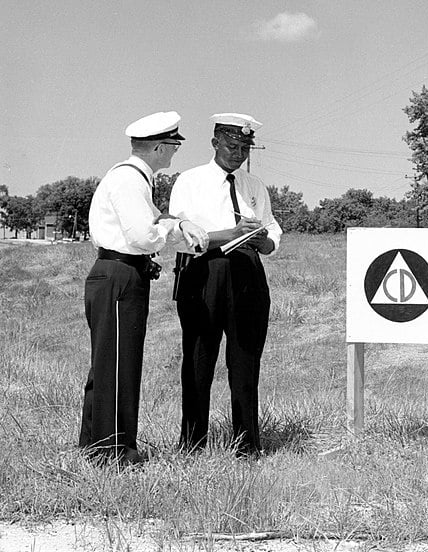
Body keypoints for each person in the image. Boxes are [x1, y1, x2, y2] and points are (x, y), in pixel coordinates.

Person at [79, 111, 209, 466]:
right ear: (158, 147)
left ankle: (95, 444)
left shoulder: (135, 178)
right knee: (119, 364)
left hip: (119, 274)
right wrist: (168, 230)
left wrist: (178, 221)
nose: (174, 152)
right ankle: (115, 451)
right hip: (120, 275)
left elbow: (156, 216)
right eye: (172, 145)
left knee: (108, 362)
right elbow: (143, 234)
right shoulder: (130, 181)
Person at [169, 113, 282, 456]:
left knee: (246, 359)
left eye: (245, 147)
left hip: (248, 273)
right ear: (215, 142)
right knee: (199, 358)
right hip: (204, 271)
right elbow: (178, 235)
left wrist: (266, 242)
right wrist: (226, 235)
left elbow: (272, 226)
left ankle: (247, 444)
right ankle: (192, 443)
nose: (238, 153)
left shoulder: (254, 186)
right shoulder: (190, 181)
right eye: (232, 145)